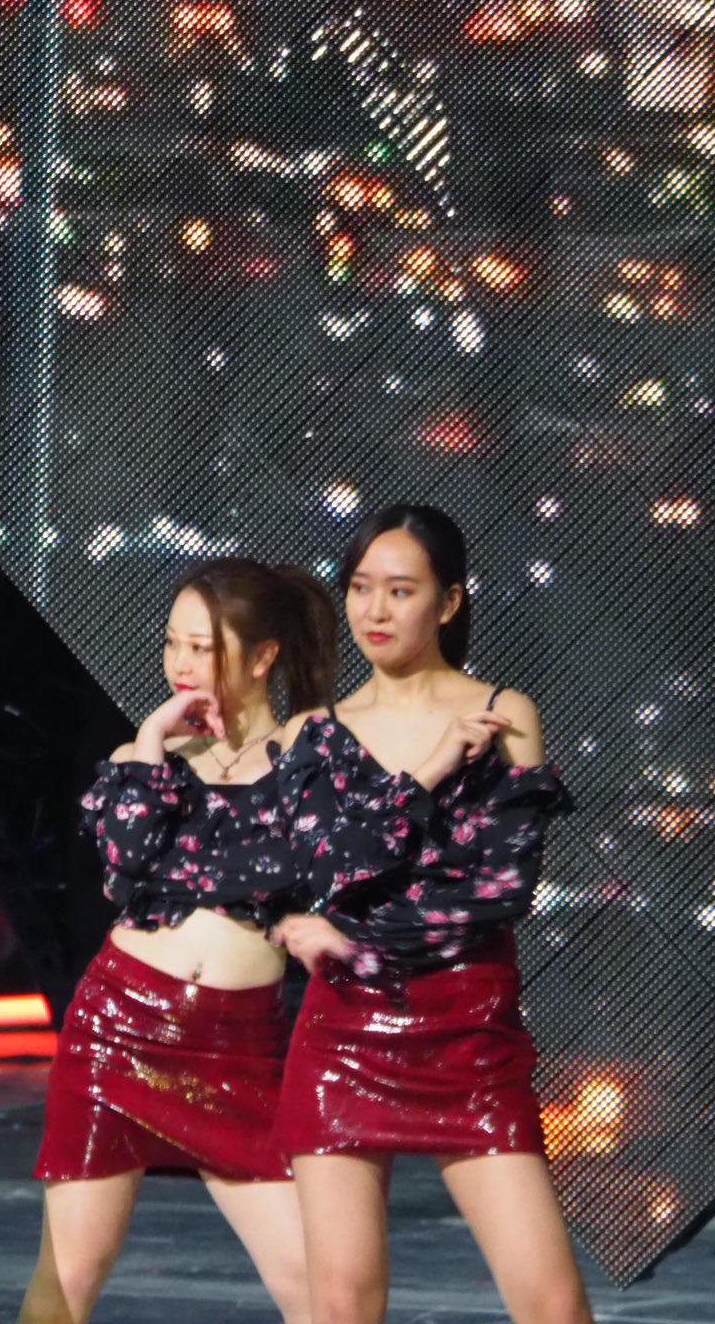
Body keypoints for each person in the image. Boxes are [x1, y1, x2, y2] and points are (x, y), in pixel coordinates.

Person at [271, 505, 591, 1324]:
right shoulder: (314, 733)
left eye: (400, 590)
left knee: (553, 1306)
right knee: (341, 1305)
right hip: (340, 1038)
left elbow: (495, 894)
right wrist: (432, 769)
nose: (374, 610)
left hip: (469, 1034)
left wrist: (351, 937)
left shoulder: (504, 713)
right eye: (360, 588)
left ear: (448, 602)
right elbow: (328, 870)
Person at [21, 558, 336, 1324]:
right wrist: (152, 739)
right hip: (117, 1031)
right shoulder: (146, 760)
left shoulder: (310, 755)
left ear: (263, 657)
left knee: (318, 1289)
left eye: (203, 647)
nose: (181, 664)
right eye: (172, 643)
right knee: (67, 1280)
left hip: (236, 1050)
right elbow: (122, 867)